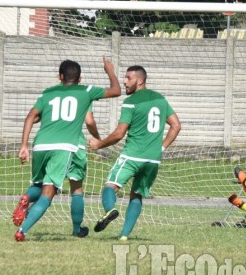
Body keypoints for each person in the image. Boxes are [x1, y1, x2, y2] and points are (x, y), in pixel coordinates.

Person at [13, 57, 120, 242]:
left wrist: (24, 146)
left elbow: (31, 116)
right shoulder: (85, 91)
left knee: (38, 186)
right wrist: (109, 70)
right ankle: (22, 231)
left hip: (40, 145)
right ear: (79, 79)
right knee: (55, 191)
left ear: (60, 76)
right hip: (65, 147)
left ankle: (26, 197)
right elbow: (116, 91)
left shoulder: (48, 93)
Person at [89, 65, 181, 240]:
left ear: (140, 80)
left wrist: (99, 144)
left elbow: (119, 134)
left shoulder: (131, 102)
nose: (124, 81)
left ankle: (110, 210)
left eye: (128, 78)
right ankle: (124, 236)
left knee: (110, 186)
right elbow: (176, 126)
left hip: (132, 156)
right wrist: (160, 148)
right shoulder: (160, 99)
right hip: (152, 160)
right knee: (136, 194)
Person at [12, 110, 100, 237]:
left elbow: (35, 118)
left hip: (43, 142)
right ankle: (76, 229)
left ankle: (27, 197)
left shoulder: (53, 93)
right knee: (74, 188)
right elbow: (89, 120)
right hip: (72, 145)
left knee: (40, 185)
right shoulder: (82, 96)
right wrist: (98, 138)